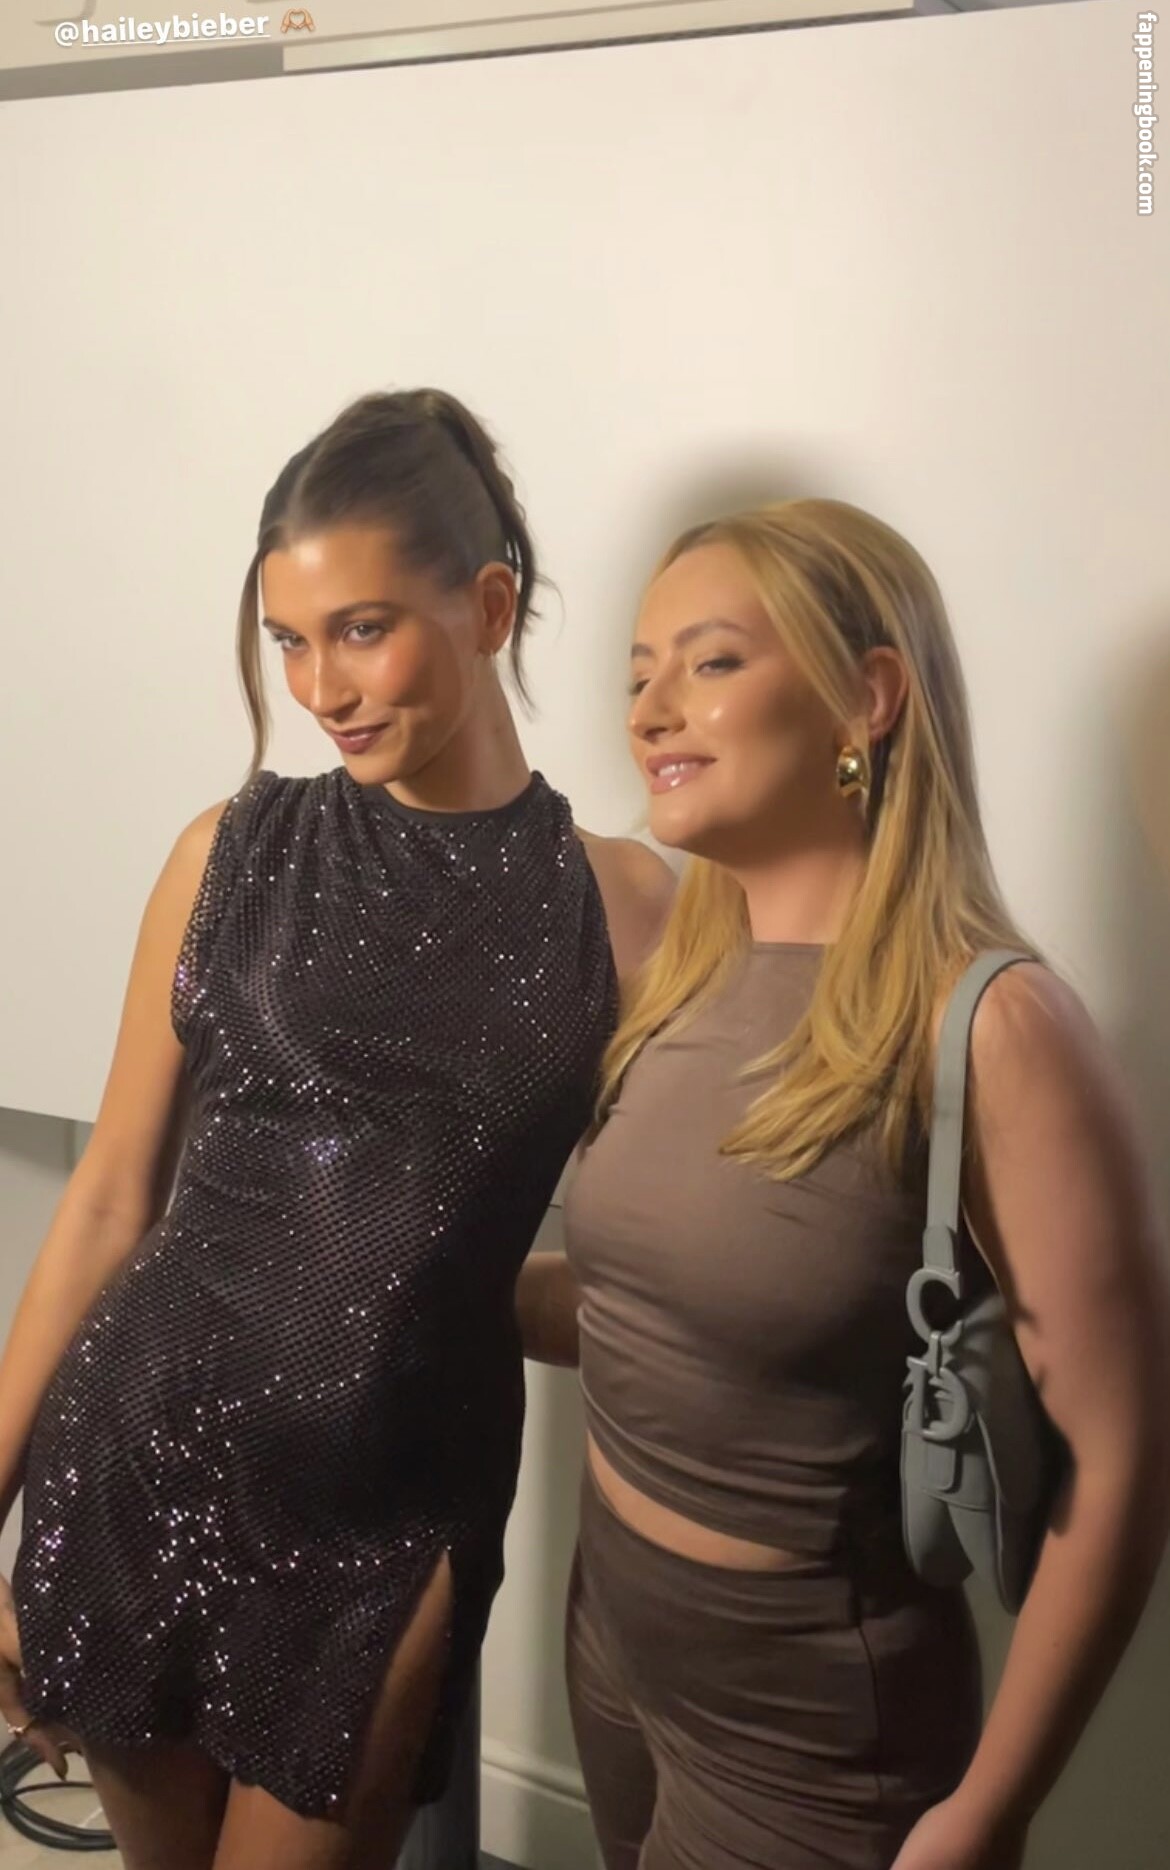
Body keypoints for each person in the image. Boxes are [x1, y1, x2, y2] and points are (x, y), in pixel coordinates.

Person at [0, 388, 674, 1870]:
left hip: (394, 1509)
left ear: (488, 606)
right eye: (289, 640)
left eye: (361, 630)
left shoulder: (623, 907)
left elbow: (684, 1237)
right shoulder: (229, 851)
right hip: (141, 1452)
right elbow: (110, 1199)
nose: (320, 686)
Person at [520, 499, 1170, 1870]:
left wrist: (987, 1810)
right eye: (638, 673)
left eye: (709, 661)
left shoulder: (993, 1029)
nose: (649, 710)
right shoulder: (676, 983)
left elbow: (1120, 1461)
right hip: (614, 1642)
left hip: (809, 1729)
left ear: (866, 698)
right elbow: (672, 1311)